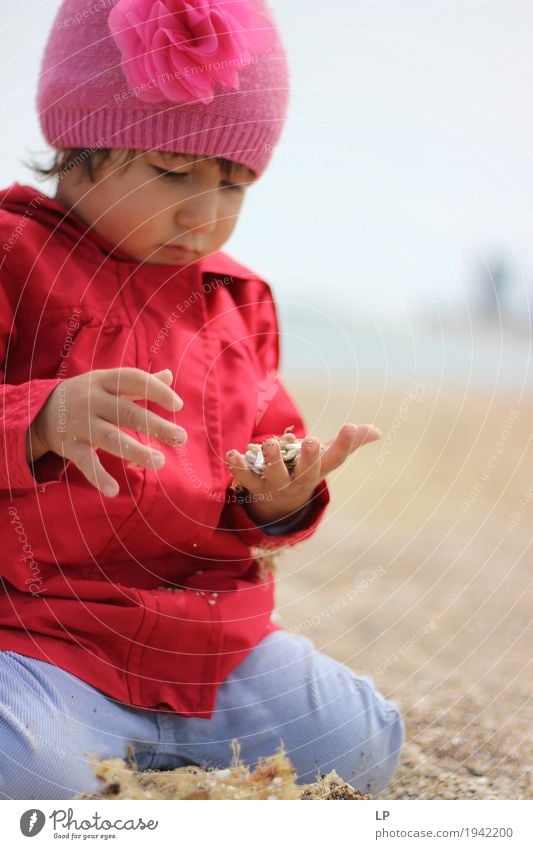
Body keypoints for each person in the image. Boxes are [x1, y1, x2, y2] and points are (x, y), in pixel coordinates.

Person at [0, 0, 404, 800]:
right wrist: (38, 418)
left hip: (206, 644)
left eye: (235, 183)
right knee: (21, 765)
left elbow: (262, 459)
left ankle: (153, 749)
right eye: (174, 173)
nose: (205, 213)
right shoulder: (14, 257)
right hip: (39, 635)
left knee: (362, 742)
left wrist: (280, 498)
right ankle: (109, 750)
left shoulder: (233, 300)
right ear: (75, 144)